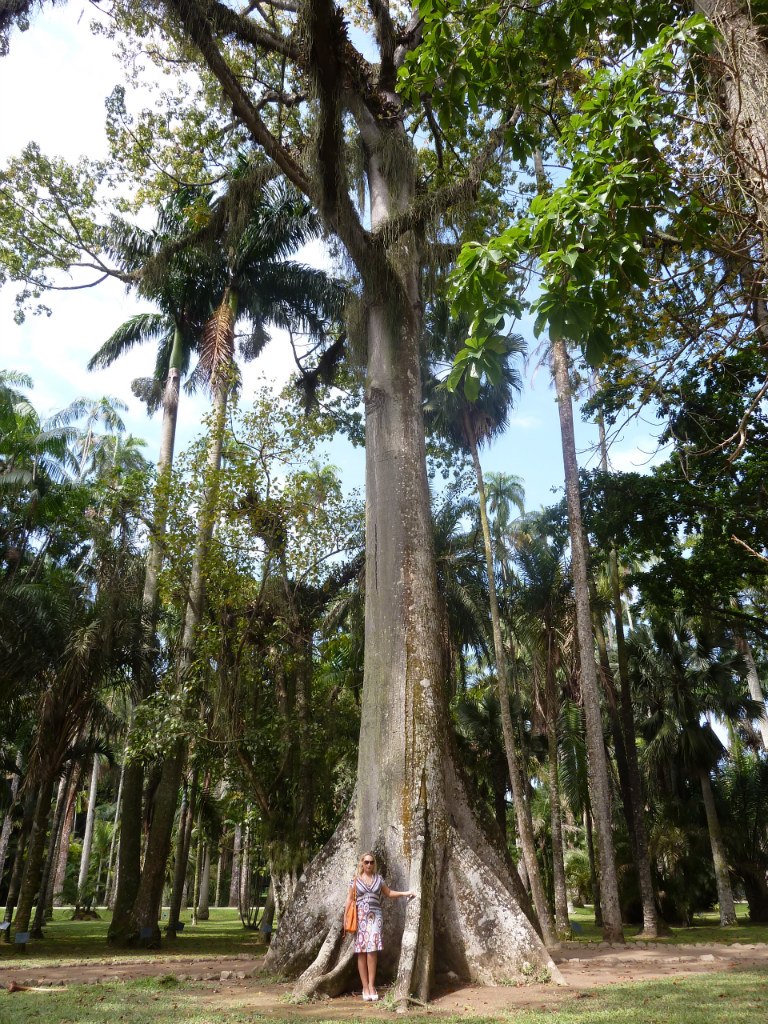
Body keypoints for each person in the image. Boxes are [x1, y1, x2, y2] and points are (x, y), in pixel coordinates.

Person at [344, 852, 416, 1001]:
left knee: (372, 950)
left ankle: (371, 985)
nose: (369, 865)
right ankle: (364, 986)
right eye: (366, 862)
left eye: (371, 862)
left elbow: (388, 893)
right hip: (361, 918)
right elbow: (350, 900)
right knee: (361, 951)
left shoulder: (379, 879)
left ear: (374, 864)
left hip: (376, 917)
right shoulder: (355, 881)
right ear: (362, 864)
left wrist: (406, 893)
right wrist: (346, 919)